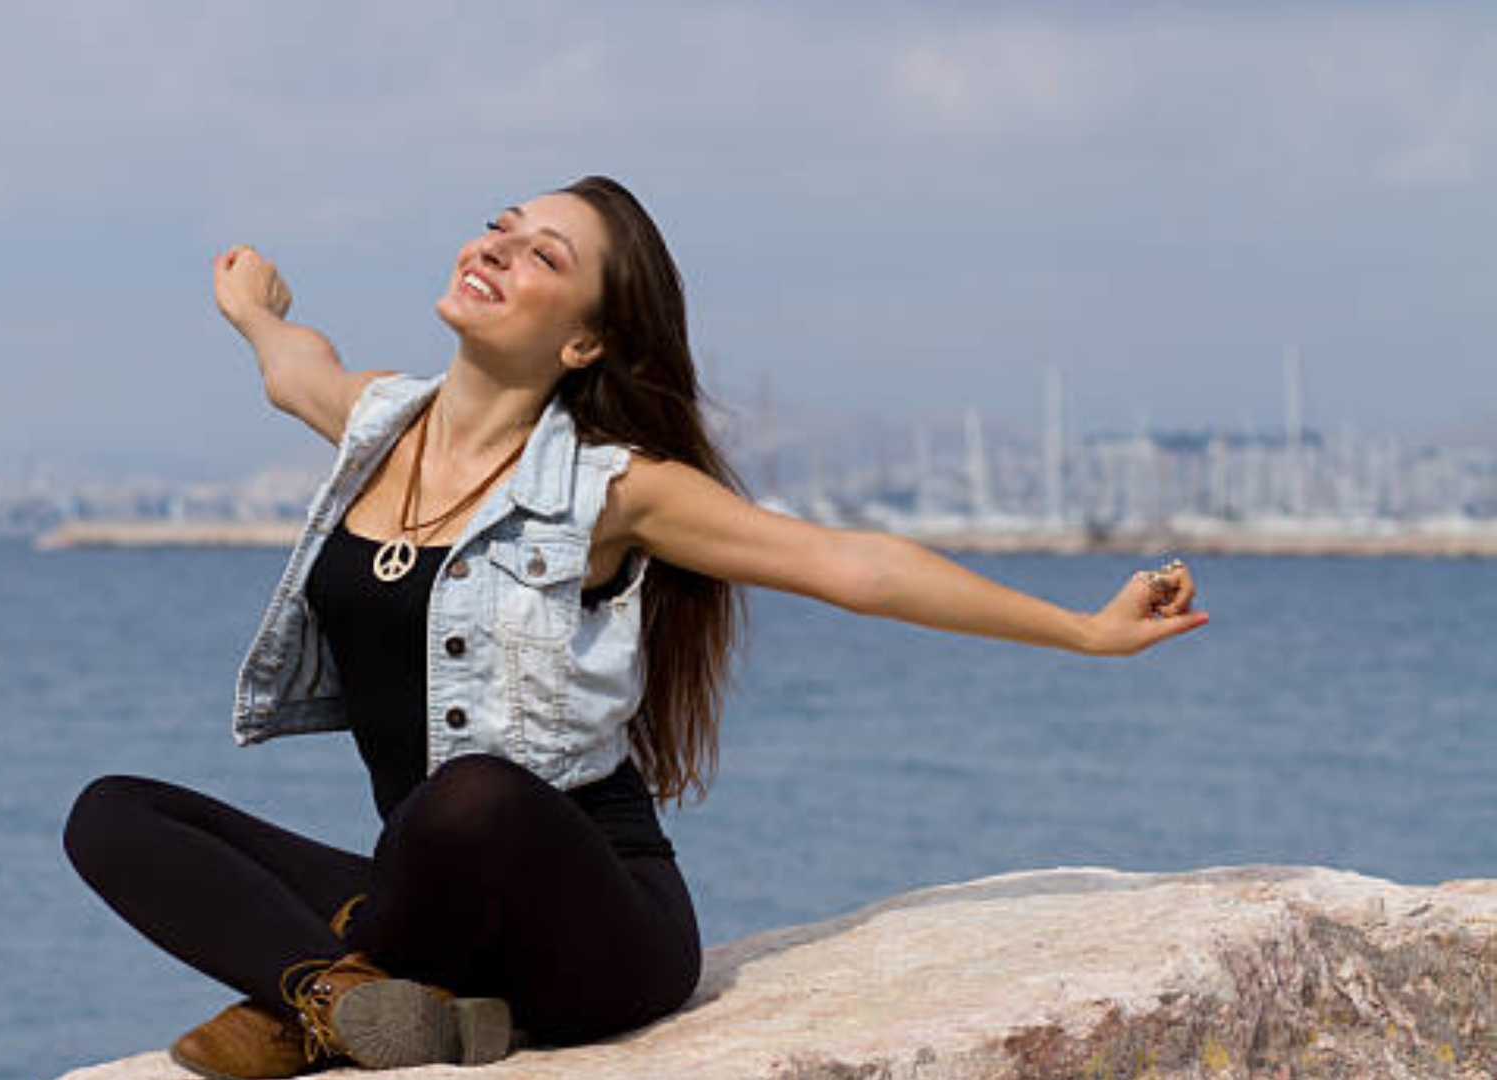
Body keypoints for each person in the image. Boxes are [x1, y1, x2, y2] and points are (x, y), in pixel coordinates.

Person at [63, 176, 1207, 1079]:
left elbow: (852, 564)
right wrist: (254, 309)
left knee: (474, 796)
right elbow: (289, 366)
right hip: (437, 900)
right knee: (113, 814)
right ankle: (347, 1000)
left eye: (540, 256)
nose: (496, 252)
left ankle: (307, 1004)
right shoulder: (374, 425)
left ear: (585, 344)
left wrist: (1085, 631)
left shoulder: (614, 490)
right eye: (498, 230)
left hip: (594, 926)